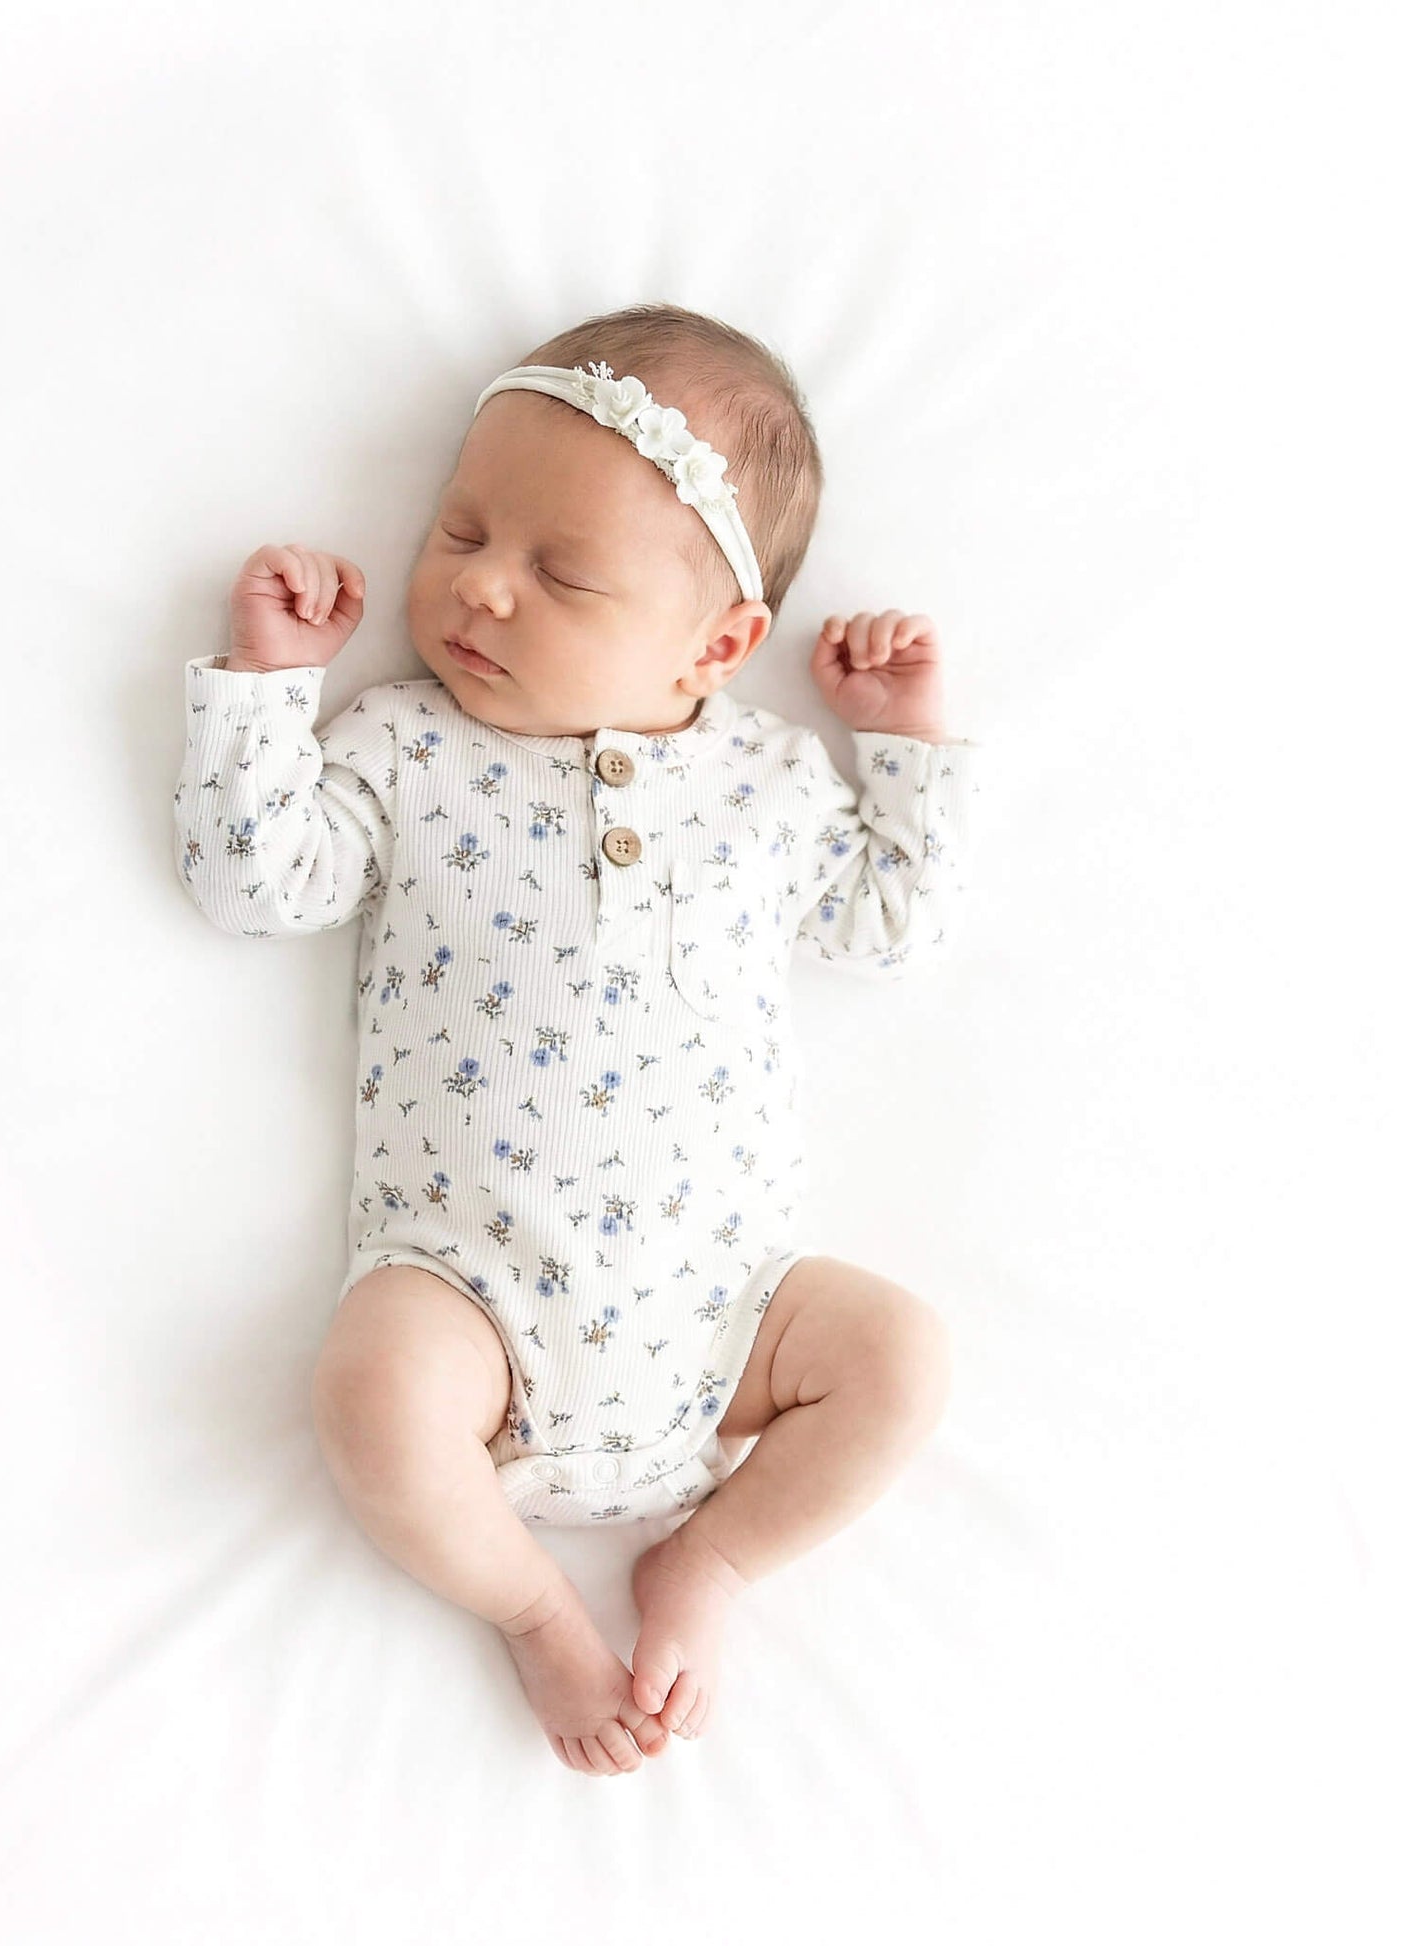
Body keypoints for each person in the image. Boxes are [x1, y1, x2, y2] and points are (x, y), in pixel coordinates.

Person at [173, 302, 979, 1777]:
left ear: (719, 645)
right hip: (474, 1304)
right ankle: (537, 1612)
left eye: (559, 572)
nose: (479, 590)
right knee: (371, 1391)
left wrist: (905, 739)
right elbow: (251, 881)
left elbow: (896, 929)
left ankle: (710, 1562)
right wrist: (268, 684)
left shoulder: (765, 782)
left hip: (734, 1324)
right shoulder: (405, 746)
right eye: (462, 530)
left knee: (903, 1360)